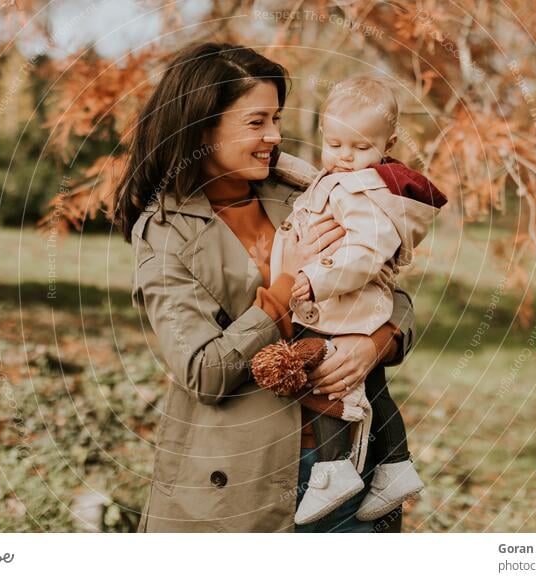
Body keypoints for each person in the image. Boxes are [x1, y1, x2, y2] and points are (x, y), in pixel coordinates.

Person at [116, 42, 415, 532]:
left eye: (275, 119)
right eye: (256, 122)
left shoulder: (306, 193)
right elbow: (203, 371)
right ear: (202, 126)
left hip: (355, 461)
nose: (275, 136)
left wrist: (376, 343)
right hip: (244, 480)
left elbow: (389, 292)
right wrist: (283, 288)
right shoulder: (166, 231)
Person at [266, 73, 447, 525]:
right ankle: (394, 466)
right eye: (336, 144)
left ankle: (334, 469)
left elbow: (365, 251)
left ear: (387, 144)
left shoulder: (364, 191)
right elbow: (319, 183)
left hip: (344, 301)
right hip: (346, 302)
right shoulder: (346, 180)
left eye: (361, 148)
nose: (345, 158)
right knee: (371, 388)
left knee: (333, 381)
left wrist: (312, 275)